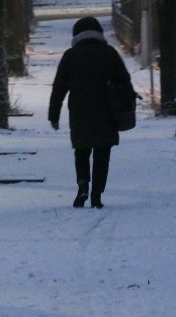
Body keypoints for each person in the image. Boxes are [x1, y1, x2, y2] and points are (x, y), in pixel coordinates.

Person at [48, 16, 134, 208]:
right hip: (106, 111)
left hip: (79, 111)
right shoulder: (109, 53)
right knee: (102, 153)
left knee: (82, 151)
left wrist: (53, 114)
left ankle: (82, 185)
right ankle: (97, 194)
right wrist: (127, 105)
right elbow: (124, 81)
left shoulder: (70, 55)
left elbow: (59, 87)